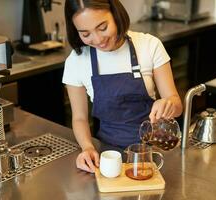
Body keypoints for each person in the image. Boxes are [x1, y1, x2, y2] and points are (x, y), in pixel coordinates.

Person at [62, 0, 183, 173]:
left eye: (102, 27)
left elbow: (177, 106)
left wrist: (169, 104)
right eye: (85, 33)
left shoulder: (149, 45)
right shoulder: (76, 61)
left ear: (115, 13)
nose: (97, 39)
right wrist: (87, 148)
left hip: (156, 151)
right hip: (109, 155)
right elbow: (80, 118)